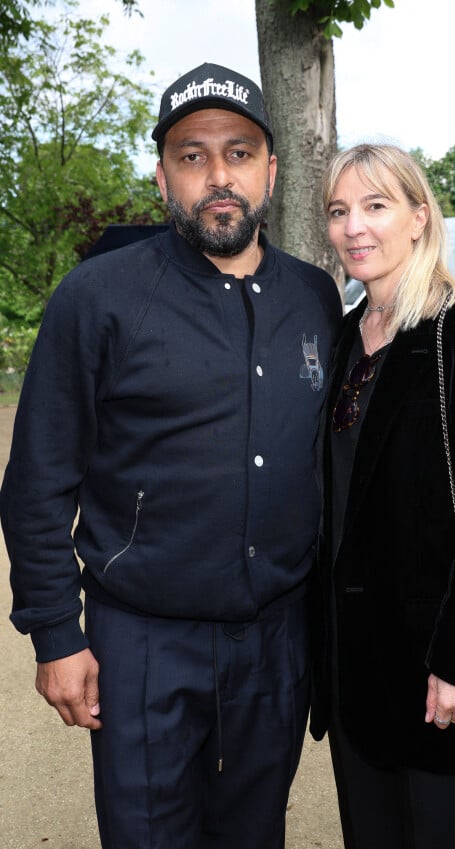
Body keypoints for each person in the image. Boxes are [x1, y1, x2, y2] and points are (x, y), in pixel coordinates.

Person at [0, 62, 342, 849]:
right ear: (163, 178)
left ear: (271, 170)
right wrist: (56, 632)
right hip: (142, 643)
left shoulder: (314, 299)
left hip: (276, 641)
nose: (219, 175)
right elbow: (37, 484)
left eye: (239, 152)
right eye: (193, 156)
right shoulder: (98, 298)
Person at [309, 143, 455, 849]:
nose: (354, 228)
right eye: (340, 211)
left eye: (375, 205)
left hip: (446, 679)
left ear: (418, 216)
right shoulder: (342, 340)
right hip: (357, 683)